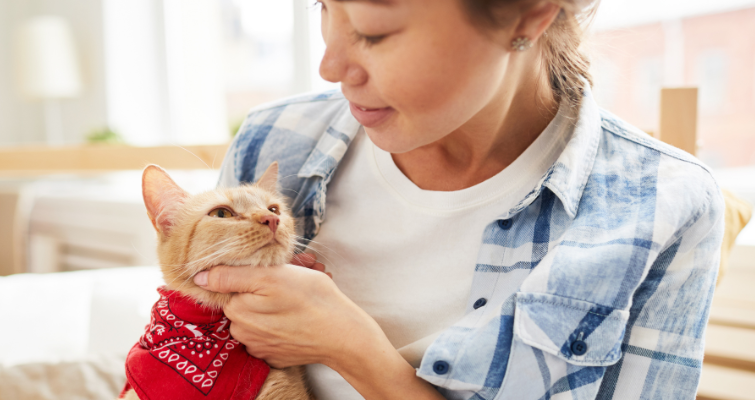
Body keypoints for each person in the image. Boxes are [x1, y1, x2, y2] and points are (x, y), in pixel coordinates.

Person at [192, 0, 724, 398]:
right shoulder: (274, 140)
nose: (330, 67)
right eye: (324, 6)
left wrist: (352, 348)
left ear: (528, 13)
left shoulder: (661, 204)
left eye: (375, 33)